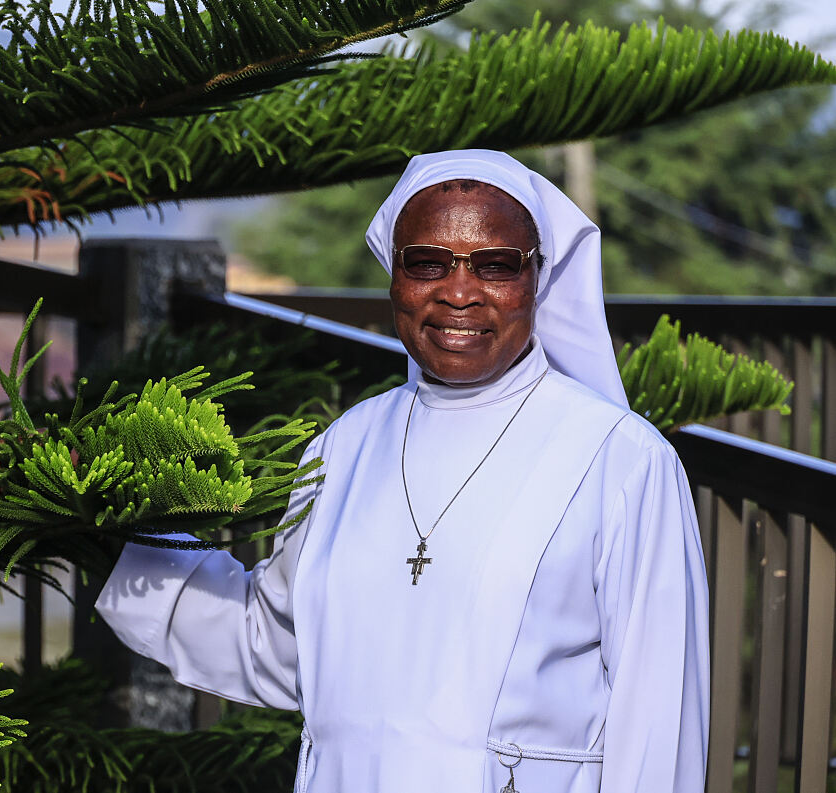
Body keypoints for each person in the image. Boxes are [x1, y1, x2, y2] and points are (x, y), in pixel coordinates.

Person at [95, 150, 709, 793]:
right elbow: (279, 647)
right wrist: (96, 522)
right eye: (427, 262)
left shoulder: (621, 460)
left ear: (538, 278)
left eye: (496, 265)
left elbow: (658, 718)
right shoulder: (345, 446)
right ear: (394, 276)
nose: (459, 292)